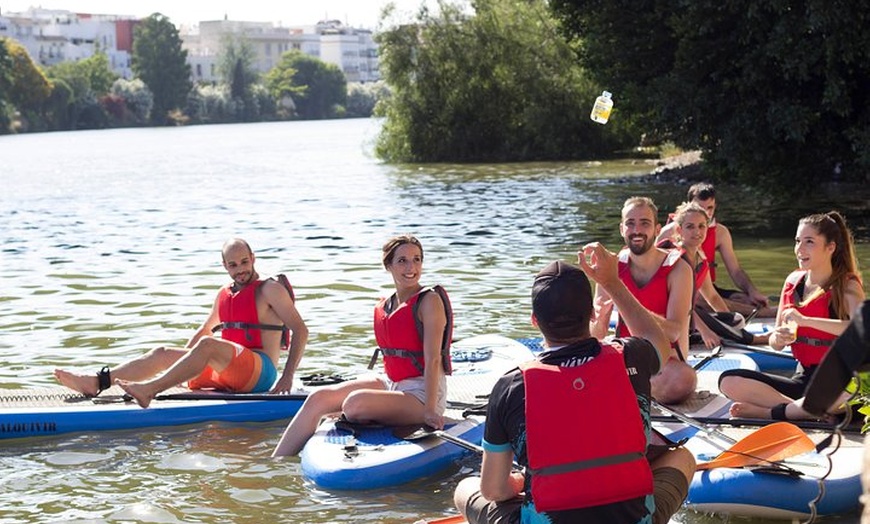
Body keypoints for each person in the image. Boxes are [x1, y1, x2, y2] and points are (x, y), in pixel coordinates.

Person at [452, 244, 695, 524]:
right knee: (681, 457)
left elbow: (493, 490)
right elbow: (659, 342)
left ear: (535, 321)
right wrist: (612, 282)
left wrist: (519, 483)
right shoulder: (631, 355)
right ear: (592, 313)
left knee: (466, 489)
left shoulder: (510, 387)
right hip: (632, 519)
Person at [54, 238, 309, 407]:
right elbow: (204, 330)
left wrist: (287, 377)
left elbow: (301, 330)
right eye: (233, 265)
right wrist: (180, 368)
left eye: (244, 262)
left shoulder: (270, 289)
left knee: (209, 345)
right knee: (163, 353)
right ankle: (98, 382)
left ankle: (149, 390)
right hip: (228, 370)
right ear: (224, 266)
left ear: (253, 257)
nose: (240, 269)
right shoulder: (225, 294)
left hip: (259, 373)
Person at [271, 234, 452, 457]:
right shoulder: (387, 304)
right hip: (392, 383)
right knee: (319, 398)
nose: (411, 267)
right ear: (389, 265)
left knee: (354, 403)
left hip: (422, 393)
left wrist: (430, 411)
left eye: (417, 259)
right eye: (402, 260)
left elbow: (433, 359)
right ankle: (275, 462)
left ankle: (356, 411)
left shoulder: (429, 301)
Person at [719, 211, 865, 420]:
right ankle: (810, 412)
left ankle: (773, 412)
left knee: (845, 395)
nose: (800, 249)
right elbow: (775, 342)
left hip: (843, 379)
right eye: (798, 241)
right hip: (804, 377)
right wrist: (777, 338)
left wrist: (806, 321)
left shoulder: (847, 285)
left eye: (809, 242)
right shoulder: (792, 282)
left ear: (830, 247)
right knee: (729, 381)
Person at [591, 196, 696, 404]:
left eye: (644, 223)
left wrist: (623, 297)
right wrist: (599, 319)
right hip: (626, 355)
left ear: (657, 229)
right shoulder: (609, 267)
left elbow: (674, 330)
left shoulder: (679, 269)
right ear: (622, 229)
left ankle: (627, 388)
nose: (637, 230)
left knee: (683, 380)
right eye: (630, 224)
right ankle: (632, 388)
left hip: (665, 361)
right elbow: (598, 334)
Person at [657, 182, 774, 317]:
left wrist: (752, 291)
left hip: (706, 287)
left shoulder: (719, 234)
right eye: (700, 207)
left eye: (710, 208)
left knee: (745, 299)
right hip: (681, 293)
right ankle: (767, 314)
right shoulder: (667, 233)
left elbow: (735, 271)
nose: (706, 213)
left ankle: (751, 311)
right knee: (700, 299)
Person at [658, 200, 734, 349]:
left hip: (689, 320)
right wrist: (705, 331)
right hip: (669, 322)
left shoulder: (701, 258)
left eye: (701, 226)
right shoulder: (675, 260)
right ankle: (760, 340)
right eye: (690, 227)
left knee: (736, 320)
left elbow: (712, 296)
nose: (697, 232)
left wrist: (729, 321)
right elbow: (682, 306)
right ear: (679, 231)